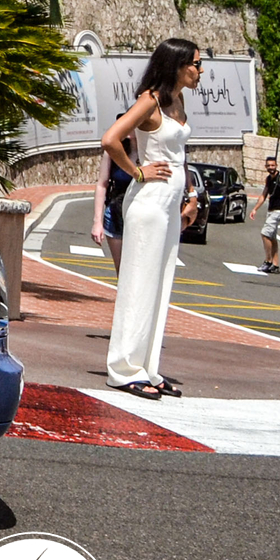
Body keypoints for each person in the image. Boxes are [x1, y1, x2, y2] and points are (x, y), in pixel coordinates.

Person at [101, 38, 205, 400]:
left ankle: (147, 367)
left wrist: (191, 197)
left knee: (160, 285)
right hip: (148, 202)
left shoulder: (179, 101)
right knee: (138, 285)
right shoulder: (151, 100)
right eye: (194, 63)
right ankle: (122, 369)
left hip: (170, 204)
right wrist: (137, 171)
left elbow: (180, 156)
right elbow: (111, 139)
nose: (199, 70)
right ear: (175, 64)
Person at [256, 157, 280, 275]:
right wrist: (255, 209)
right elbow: (264, 195)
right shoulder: (268, 179)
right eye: (269, 166)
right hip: (271, 210)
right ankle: (275, 265)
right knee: (272, 237)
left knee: (265, 233)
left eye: (273, 165)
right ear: (266, 166)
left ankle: (268, 261)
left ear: (276, 165)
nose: (271, 168)